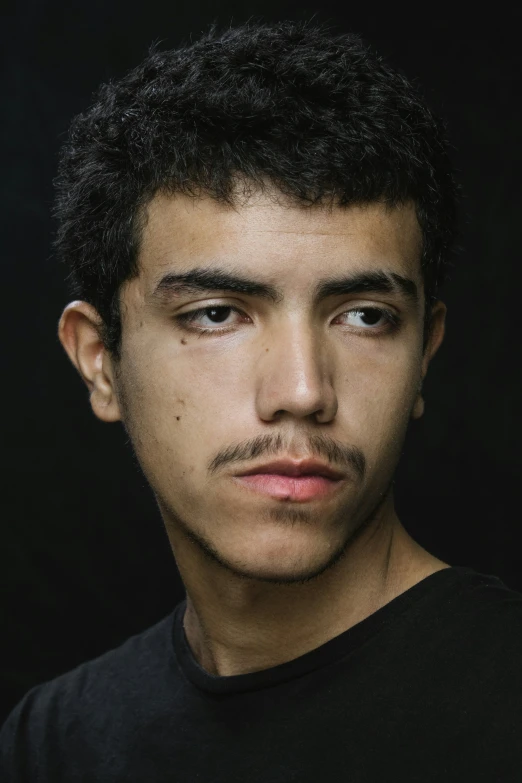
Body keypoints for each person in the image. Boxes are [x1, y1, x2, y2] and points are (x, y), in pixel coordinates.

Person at [1, 19, 521, 782]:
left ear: (423, 357)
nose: (304, 391)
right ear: (99, 361)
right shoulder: (49, 745)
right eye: (217, 313)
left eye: (364, 316)